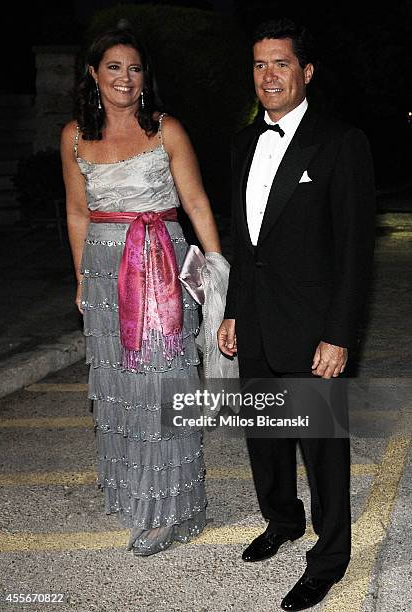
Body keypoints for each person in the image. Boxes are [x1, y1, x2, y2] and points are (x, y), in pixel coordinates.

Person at [217, 18, 375, 611]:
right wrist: (233, 312)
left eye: (280, 63)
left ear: (306, 71)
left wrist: (339, 335)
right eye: (259, 64)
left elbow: (356, 253)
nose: (269, 75)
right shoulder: (241, 142)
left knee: (320, 448)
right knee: (264, 437)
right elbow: (243, 238)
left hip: (312, 328)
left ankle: (330, 557)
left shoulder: (339, 142)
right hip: (254, 320)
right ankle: (282, 520)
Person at [61, 25, 221, 556]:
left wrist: (216, 269)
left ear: (144, 76)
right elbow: (78, 212)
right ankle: (136, 491)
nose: (124, 78)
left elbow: (196, 202)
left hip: (161, 263)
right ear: (93, 74)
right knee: (121, 387)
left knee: (163, 383)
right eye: (113, 67)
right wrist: (82, 275)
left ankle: (172, 507)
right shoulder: (75, 137)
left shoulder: (166, 129)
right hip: (107, 272)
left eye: (133, 68)